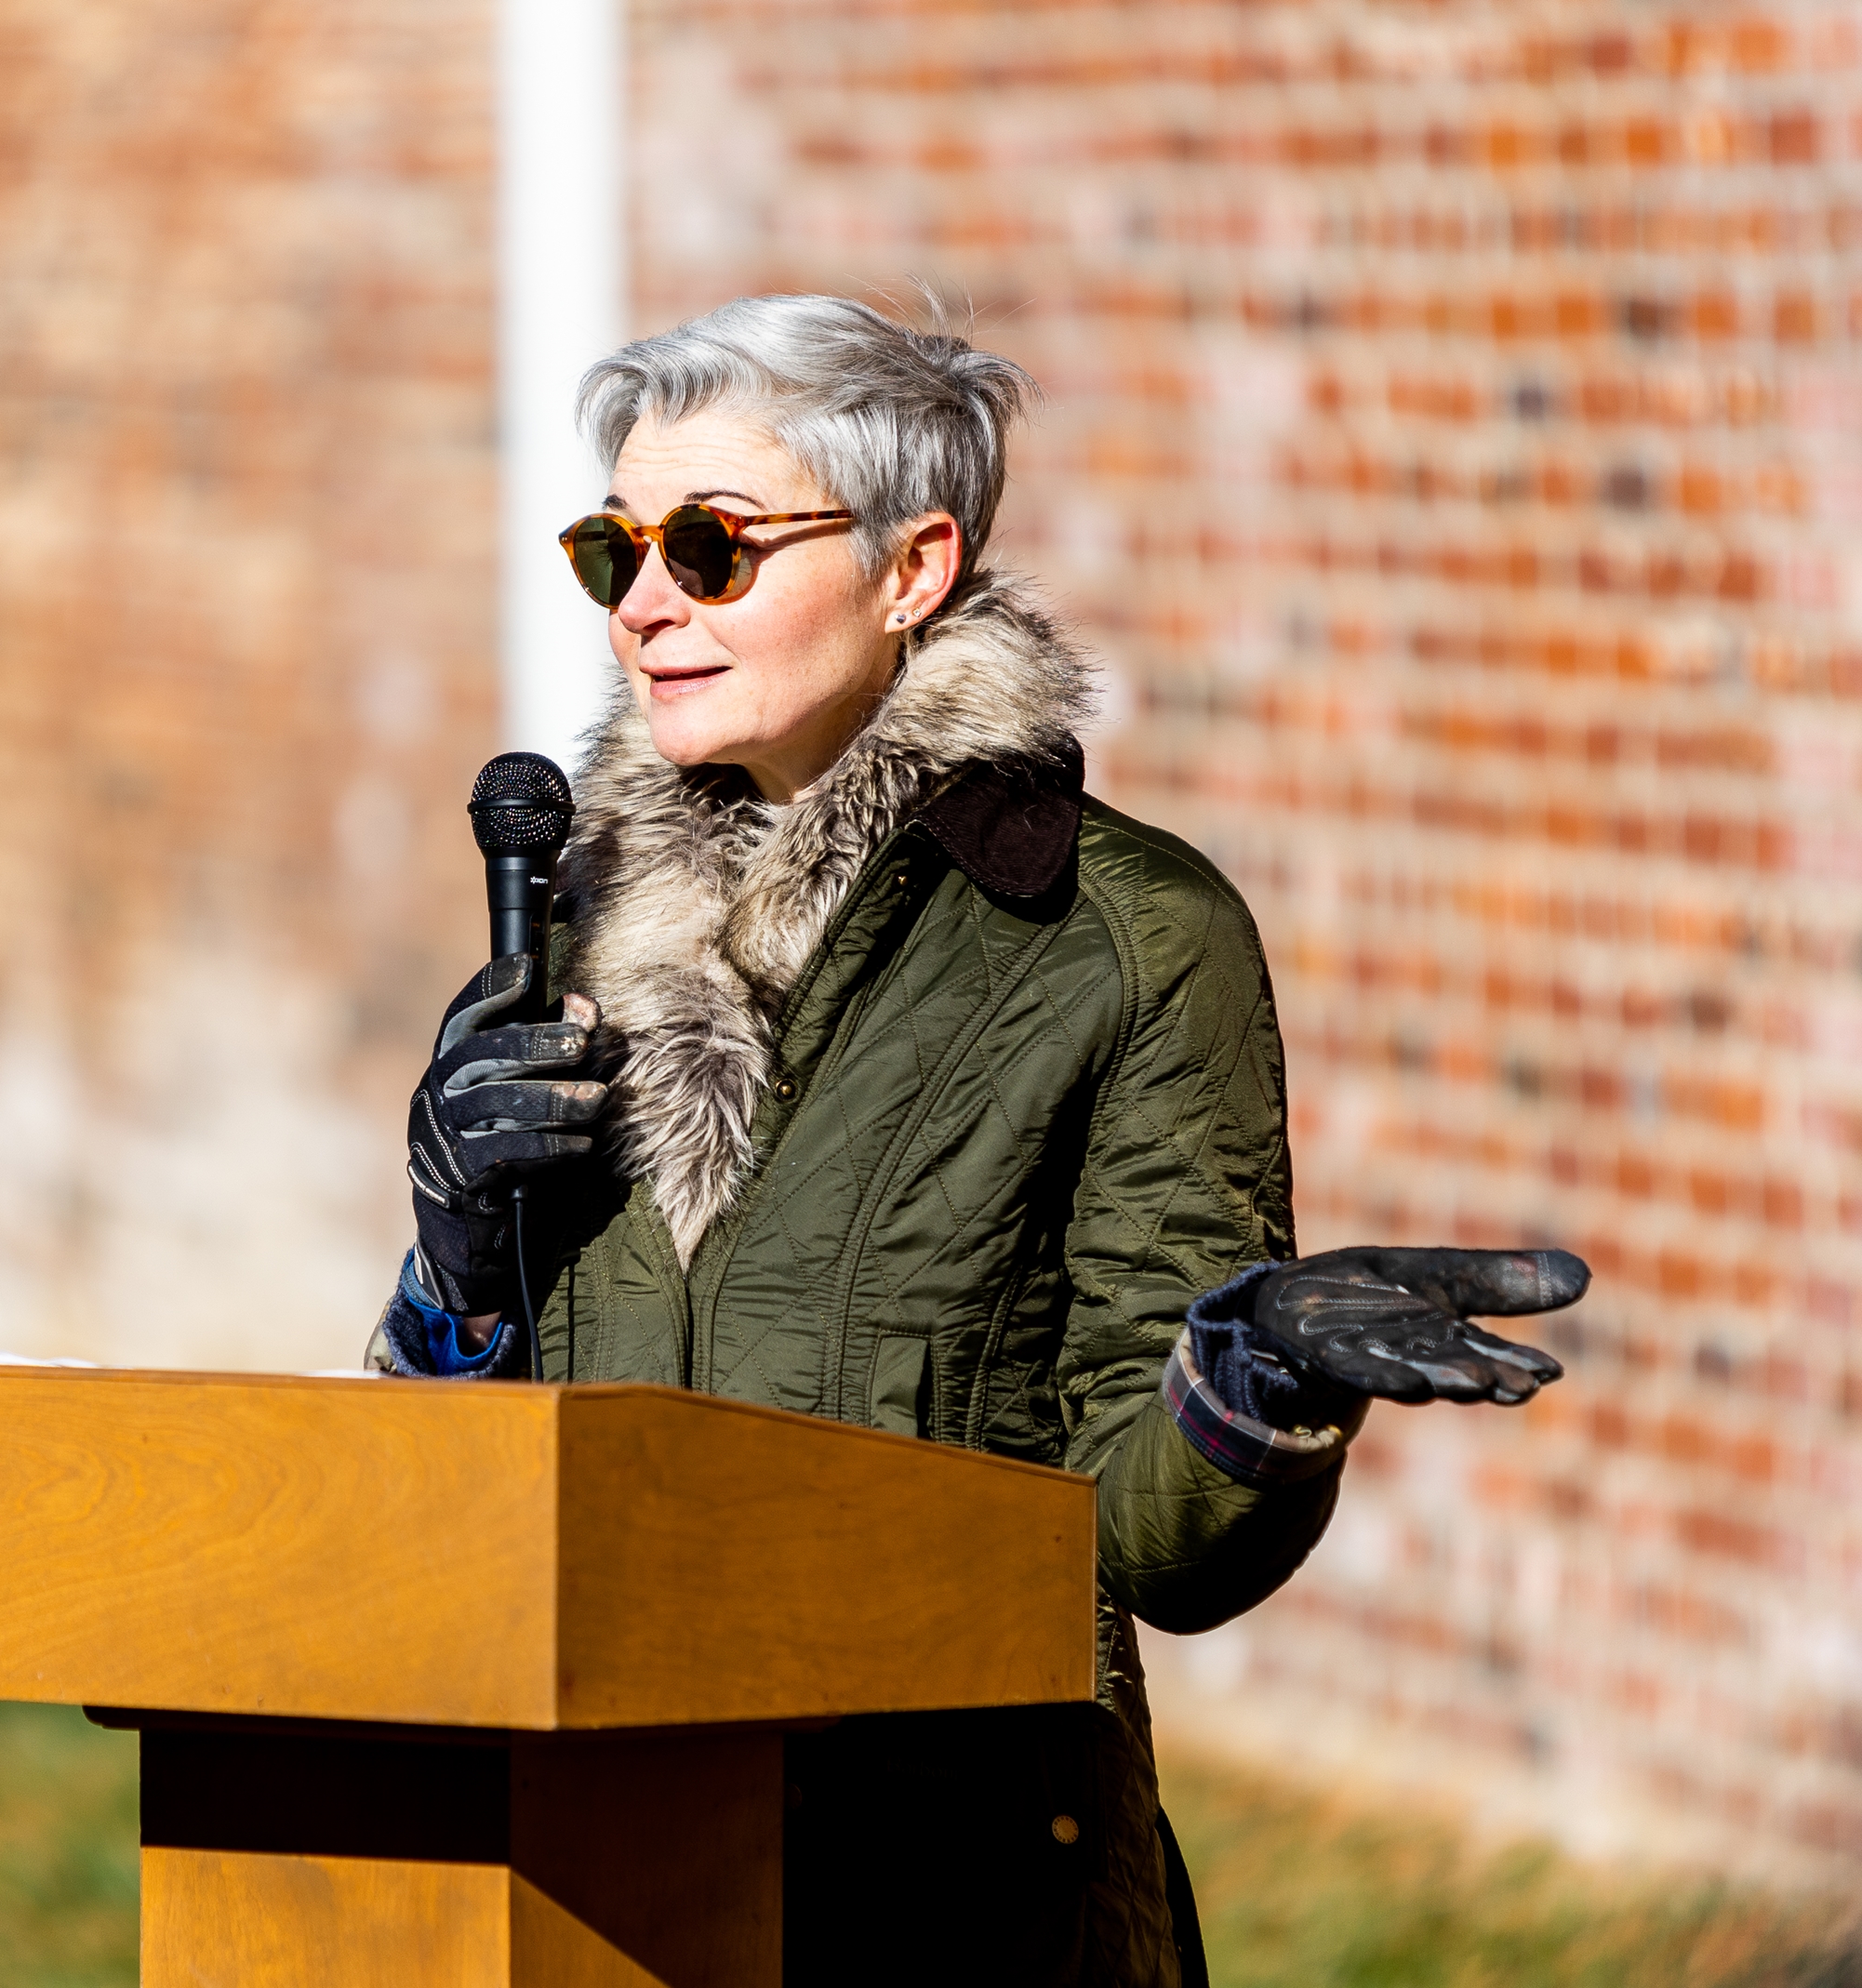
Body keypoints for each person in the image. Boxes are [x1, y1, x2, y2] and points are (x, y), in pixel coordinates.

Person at [373, 294, 1582, 1987]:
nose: (644, 605)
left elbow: (1156, 1548)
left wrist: (1253, 1385)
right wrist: (449, 1283)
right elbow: (444, 1501)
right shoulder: (566, 939)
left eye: (710, 546)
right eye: (613, 548)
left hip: (953, 1904)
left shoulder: (1122, 937)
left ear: (911, 567)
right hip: (590, 1880)